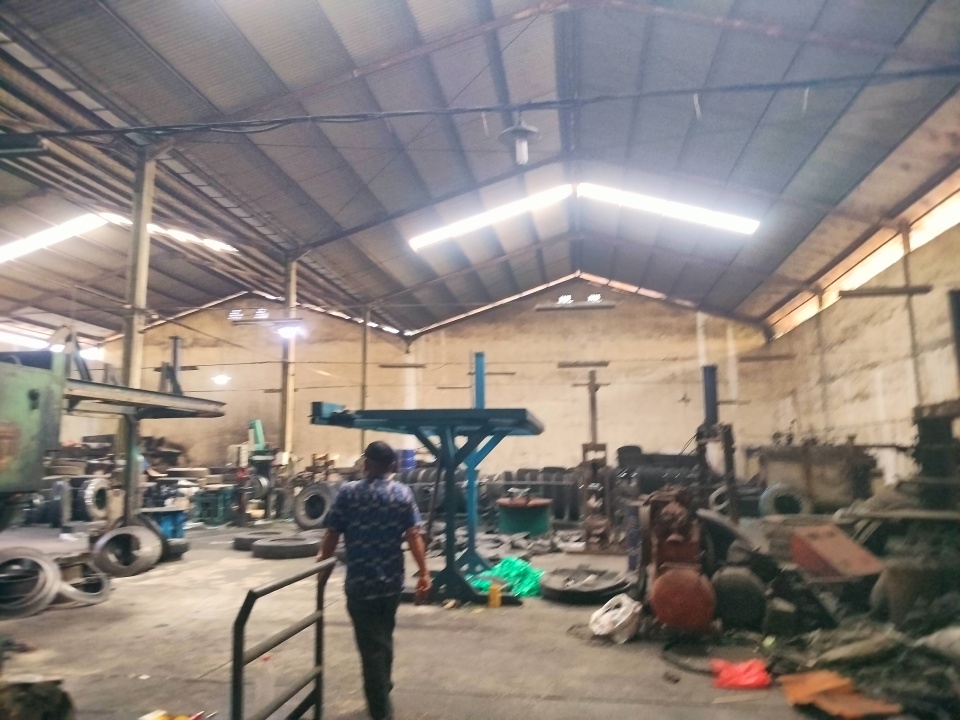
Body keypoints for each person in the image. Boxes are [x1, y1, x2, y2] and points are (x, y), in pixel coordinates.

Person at [319, 441, 431, 720]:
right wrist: (424, 573)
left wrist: (322, 573)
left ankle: (380, 710)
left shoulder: (349, 493)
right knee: (383, 637)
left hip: (361, 584)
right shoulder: (402, 494)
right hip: (391, 584)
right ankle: (384, 688)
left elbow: (332, 534)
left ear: (366, 464)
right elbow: (414, 535)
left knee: (371, 649)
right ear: (392, 466)